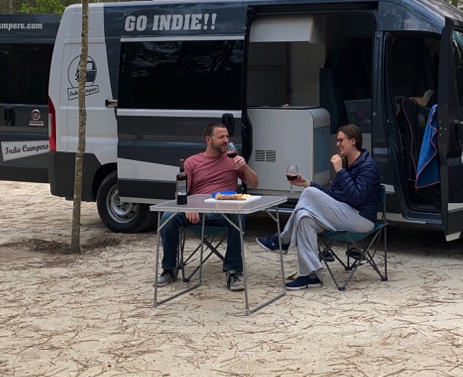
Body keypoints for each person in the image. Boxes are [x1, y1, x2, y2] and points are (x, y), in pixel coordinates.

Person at [257, 124, 381, 290]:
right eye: (337, 140)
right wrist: (307, 183)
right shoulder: (347, 164)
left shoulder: (368, 166)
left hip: (361, 218)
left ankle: (283, 239)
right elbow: (332, 194)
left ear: (353, 141)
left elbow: (356, 198)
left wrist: (340, 171)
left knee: (309, 193)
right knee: (304, 218)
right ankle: (311, 276)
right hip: (344, 213)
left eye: (341, 140)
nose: (337, 144)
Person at [158, 122, 259, 292]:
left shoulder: (233, 160)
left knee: (238, 216)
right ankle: (169, 268)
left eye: (227, 136)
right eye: (221, 137)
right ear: (208, 139)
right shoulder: (193, 162)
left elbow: (255, 183)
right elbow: (180, 192)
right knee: (167, 216)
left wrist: (245, 167)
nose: (226, 140)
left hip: (224, 212)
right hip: (198, 212)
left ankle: (233, 271)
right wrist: (189, 208)